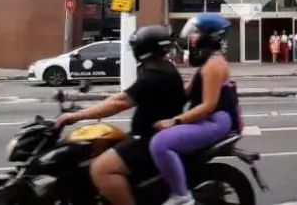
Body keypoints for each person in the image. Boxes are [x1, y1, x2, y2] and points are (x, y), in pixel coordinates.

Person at [54, 25, 186, 205]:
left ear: (144, 48)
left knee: (101, 169)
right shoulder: (157, 67)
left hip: (151, 138)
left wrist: (76, 116)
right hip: (147, 134)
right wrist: (86, 108)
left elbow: (121, 103)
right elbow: (122, 97)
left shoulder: (156, 75)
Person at [149, 13, 242, 205]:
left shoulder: (214, 65)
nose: (192, 38)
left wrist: (175, 121)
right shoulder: (207, 63)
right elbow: (186, 93)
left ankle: (181, 196)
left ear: (210, 36)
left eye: (196, 33)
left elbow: (207, 106)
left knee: (160, 144)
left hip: (214, 121)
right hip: (208, 119)